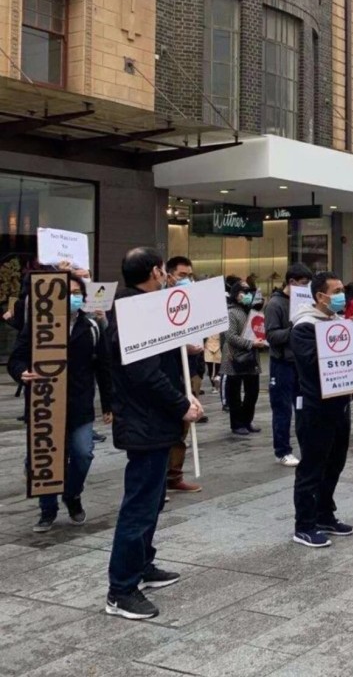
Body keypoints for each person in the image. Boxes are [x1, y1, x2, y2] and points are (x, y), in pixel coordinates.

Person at [105, 248, 204, 620]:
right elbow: (144, 375)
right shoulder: (135, 313)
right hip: (144, 422)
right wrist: (181, 404)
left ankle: (142, 564)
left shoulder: (141, 308)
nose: (169, 277)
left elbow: (159, 363)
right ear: (155, 272)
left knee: (152, 500)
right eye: (164, 271)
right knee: (140, 505)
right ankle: (121, 590)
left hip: (153, 421)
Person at [9, 275, 112, 533]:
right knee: (45, 458)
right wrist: (22, 372)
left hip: (80, 404)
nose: (74, 297)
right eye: (69, 292)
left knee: (83, 453)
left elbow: (103, 368)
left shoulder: (91, 327)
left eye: (78, 292)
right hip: (44, 404)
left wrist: (109, 404)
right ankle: (47, 509)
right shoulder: (37, 325)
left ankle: (72, 494)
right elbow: (16, 358)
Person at [286, 272, 353, 547]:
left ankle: (325, 514)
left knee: (335, 463)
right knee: (313, 466)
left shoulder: (338, 322)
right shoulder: (304, 327)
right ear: (320, 296)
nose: (342, 295)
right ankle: (304, 524)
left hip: (341, 404)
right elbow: (312, 364)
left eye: (342, 289)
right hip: (316, 406)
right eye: (336, 290)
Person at [264, 263, 314, 468]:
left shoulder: (305, 301)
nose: (306, 288)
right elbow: (272, 335)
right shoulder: (275, 304)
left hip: (300, 363)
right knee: (282, 408)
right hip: (281, 364)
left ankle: (306, 445)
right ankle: (282, 450)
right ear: (291, 282)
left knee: (303, 407)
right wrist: (294, 329)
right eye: (303, 284)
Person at [164, 256, 204, 493]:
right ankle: (160, 479)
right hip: (166, 372)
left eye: (190, 275)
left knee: (185, 422)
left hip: (187, 369)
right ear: (169, 275)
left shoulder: (191, 300)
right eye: (181, 275)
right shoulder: (160, 301)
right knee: (165, 427)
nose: (186, 280)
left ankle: (174, 475)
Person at [222, 280, 267, 435]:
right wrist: (251, 343)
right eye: (244, 292)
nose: (248, 295)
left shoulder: (252, 311)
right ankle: (237, 423)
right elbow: (231, 337)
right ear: (236, 294)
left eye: (249, 292)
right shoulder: (231, 312)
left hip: (251, 358)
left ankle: (247, 420)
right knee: (234, 394)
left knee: (252, 392)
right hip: (234, 357)